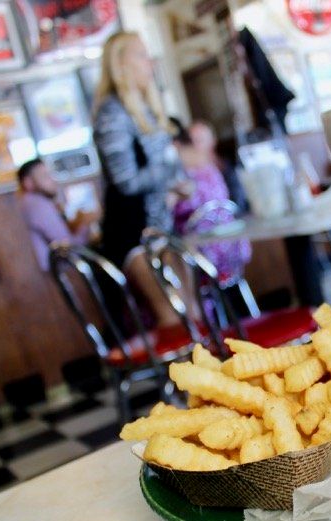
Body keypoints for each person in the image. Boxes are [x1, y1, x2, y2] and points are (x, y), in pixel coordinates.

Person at [93, 31, 190, 328]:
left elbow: (167, 166)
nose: (150, 62)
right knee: (173, 318)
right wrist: (169, 177)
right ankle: (183, 374)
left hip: (160, 228)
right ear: (121, 63)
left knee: (193, 316)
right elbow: (126, 181)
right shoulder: (111, 112)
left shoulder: (146, 109)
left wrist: (179, 183)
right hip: (132, 232)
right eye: (141, 55)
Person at [169, 119, 252, 286]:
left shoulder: (186, 174)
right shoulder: (209, 166)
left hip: (206, 259)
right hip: (234, 249)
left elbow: (170, 213)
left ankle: (202, 310)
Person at [17, 159, 100, 271]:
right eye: (45, 176)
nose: (53, 180)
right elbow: (70, 248)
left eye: (51, 174)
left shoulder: (26, 203)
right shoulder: (37, 205)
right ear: (28, 183)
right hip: (60, 276)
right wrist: (86, 222)